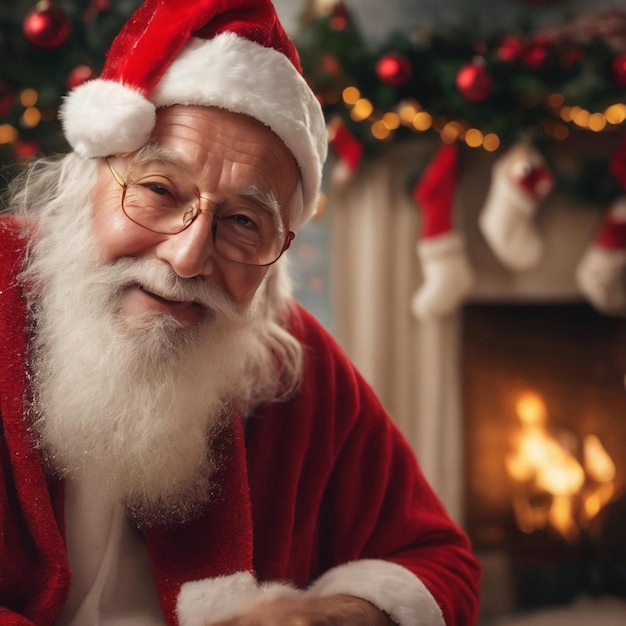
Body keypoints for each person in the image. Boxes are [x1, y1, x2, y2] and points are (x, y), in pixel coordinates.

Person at [0, 1, 481, 624]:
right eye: (157, 190)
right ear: (85, 183)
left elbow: (440, 561)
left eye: (244, 223)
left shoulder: (287, 359)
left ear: (276, 254)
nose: (187, 255)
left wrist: (327, 617)